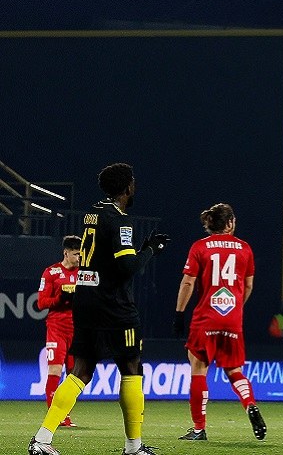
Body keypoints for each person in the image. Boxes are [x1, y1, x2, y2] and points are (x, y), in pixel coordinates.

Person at [29, 162, 170, 455]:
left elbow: (106, 256)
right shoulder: (120, 220)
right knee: (131, 368)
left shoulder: (92, 213)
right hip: (114, 306)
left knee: (80, 371)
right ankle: (133, 447)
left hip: (86, 302)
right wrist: (150, 250)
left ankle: (42, 439)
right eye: (133, 182)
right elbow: (127, 267)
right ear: (127, 187)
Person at [173, 202, 265, 441]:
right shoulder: (245, 248)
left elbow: (188, 282)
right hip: (232, 319)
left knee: (198, 369)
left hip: (205, 318)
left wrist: (179, 313)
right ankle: (249, 403)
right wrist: (235, 308)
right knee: (234, 370)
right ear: (230, 223)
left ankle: (199, 428)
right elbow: (248, 285)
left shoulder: (200, 247)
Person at [37, 235, 81, 429]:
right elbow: (41, 303)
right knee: (55, 370)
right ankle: (55, 417)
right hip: (57, 328)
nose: (79, 258)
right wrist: (59, 299)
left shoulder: (84, 274)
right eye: (76, 254)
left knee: (73, 374)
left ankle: (65, 415)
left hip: (78, 329)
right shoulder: (51, 273)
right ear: (66, 253)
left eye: (80, 254)